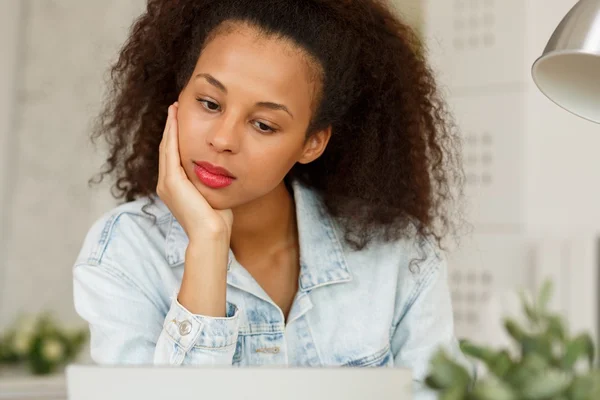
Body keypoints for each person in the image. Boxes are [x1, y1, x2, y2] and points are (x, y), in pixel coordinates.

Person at [73, 0, 466, 398]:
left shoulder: (397, 256)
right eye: (209, 103)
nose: (223, 140)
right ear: (179, 94)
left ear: (311, 143)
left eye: (263, 124)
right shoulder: (124, 253)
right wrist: (208, 246)